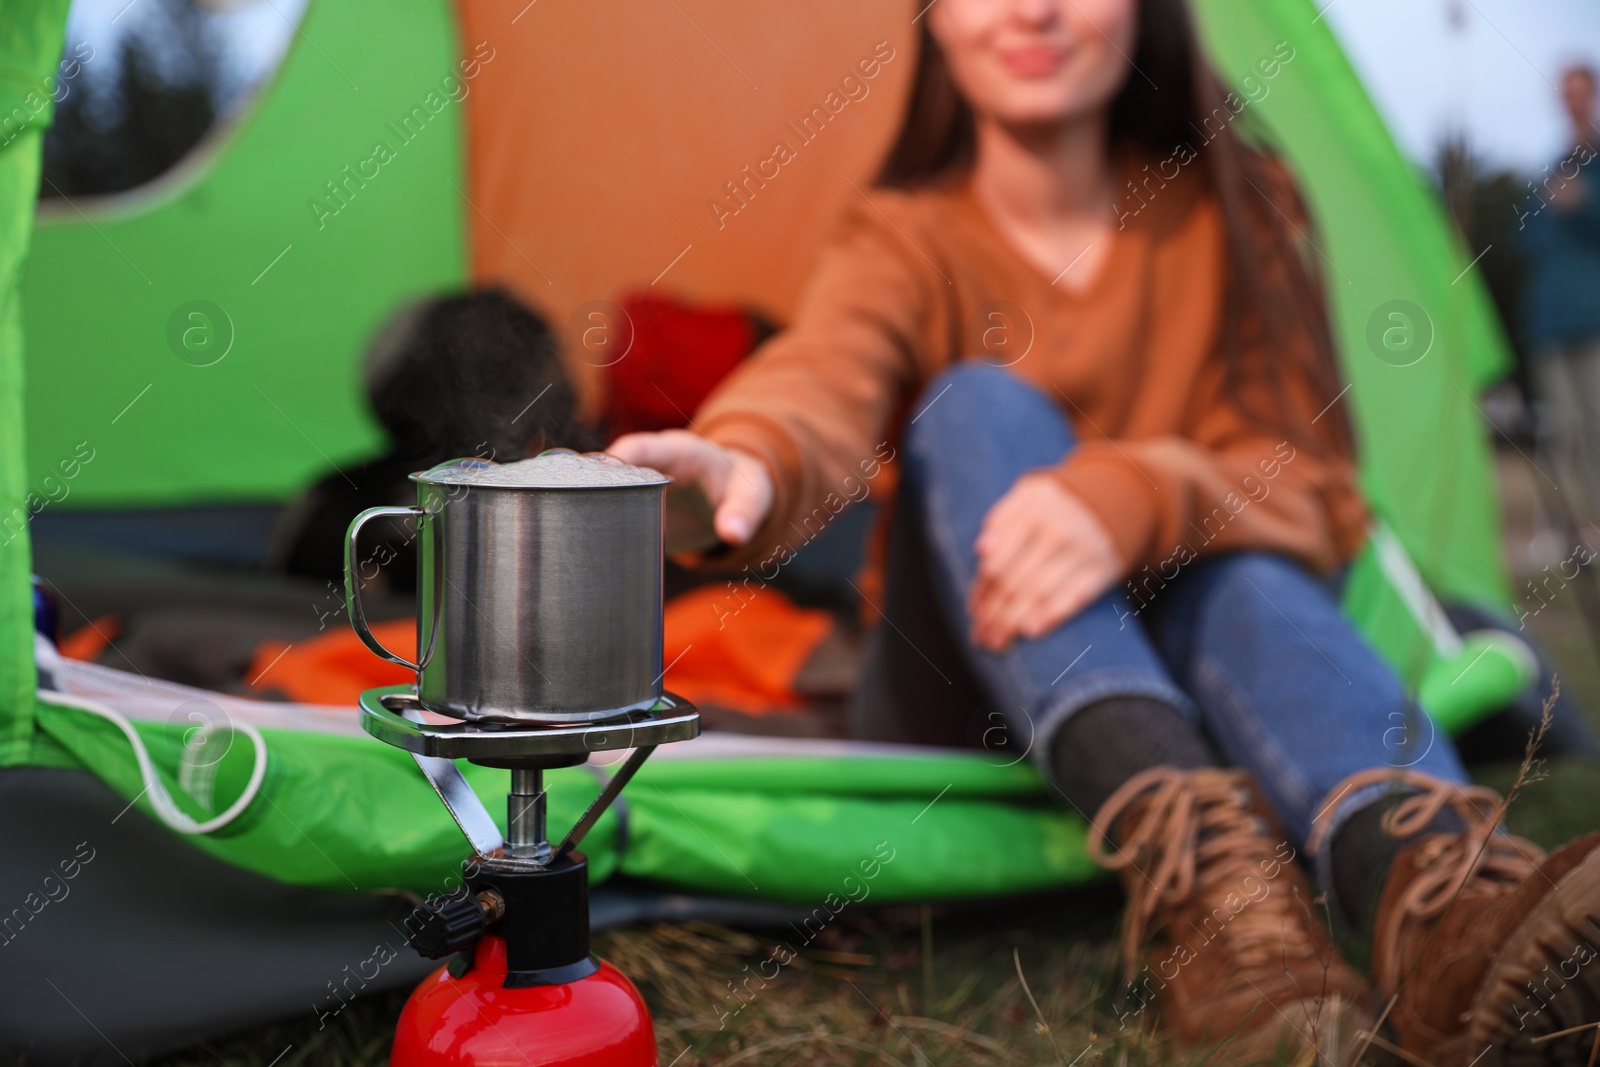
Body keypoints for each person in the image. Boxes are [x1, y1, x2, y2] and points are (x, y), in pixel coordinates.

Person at [611, 1, 1600, 1062]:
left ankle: (1444, 908)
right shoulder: (901, 233)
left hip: (1208, 636)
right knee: (978, 405)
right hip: (966, 686)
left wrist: (1129, 499)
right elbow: (820, 380)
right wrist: (746, 453)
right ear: (936, 20)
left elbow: (1308, 480)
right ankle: (1216, 897)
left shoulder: (1237, 204)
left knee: (1234, 570)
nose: (1033, 10)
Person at [1522, 63, 1600, 526]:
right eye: (1564, 92)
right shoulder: (1553, 168)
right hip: (1549, 321)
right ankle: (1580, 530)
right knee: (1562, 430)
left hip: (1593, 318)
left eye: (1579, 91)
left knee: (1597, 424)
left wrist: (1584, 206)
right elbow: (1526, 239)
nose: (1571, 100)